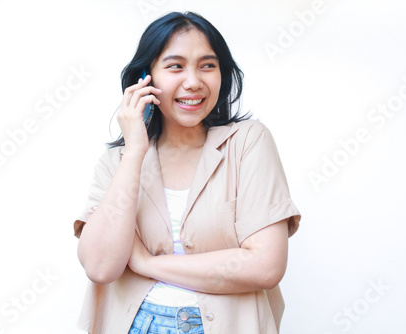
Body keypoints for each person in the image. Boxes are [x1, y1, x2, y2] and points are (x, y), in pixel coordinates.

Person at [73, 11, 301, 334]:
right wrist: (135, 151)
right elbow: (99, 266)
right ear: (145, 77)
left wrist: (145, 263)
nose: (193, 82)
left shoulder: (248, 143)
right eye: (175, 66)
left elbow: (266, 265)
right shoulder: (117, 162)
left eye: (208, 65)